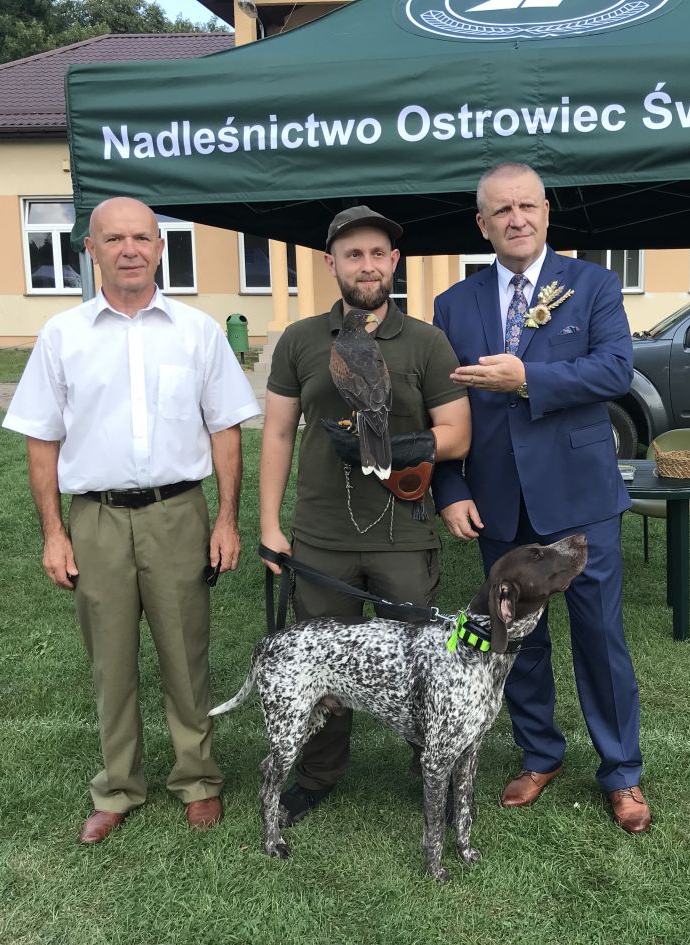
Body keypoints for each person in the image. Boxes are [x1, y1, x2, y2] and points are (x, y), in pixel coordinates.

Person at [2, 196, 260, 845]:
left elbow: (226, 429)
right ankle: (118, 786)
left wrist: (227, 519)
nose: (129, 250)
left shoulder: (196, 331)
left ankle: (197, 778)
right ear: (90, 249)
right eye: (113, 238)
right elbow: (41, 439)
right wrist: (54, 533)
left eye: (142, 237)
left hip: (178, 512)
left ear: (160, 248)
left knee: (185, 653)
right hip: (98, 518)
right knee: (110, 660)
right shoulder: (63, 335)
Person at [432, 163, 651, 834]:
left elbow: (615, 370)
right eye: (502, 210)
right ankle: (540, 754)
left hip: (581, 497)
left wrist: (527, 377)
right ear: (482, 224)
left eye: (527, 206)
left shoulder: (593, 285)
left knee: (600, 636)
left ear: (547, 212)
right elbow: (440, 403)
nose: (517, 218)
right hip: (497, 498)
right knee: (514, 636)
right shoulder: (453, 304)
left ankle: (622, 770)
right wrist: (450, 487)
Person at [258, 206, 471, 823]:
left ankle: (429, 766)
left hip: (404, 533)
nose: (368, 265)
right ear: (332, 264)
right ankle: (319, 774)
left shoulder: (426, 340)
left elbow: (457, 432)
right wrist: (269, 527)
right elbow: (277, 433)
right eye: (354, 254)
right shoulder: (300, 339)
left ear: (395, 261)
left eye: (379, 253)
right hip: (321, 535)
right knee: (325, 664)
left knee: (423, 662)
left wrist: (401, 447)